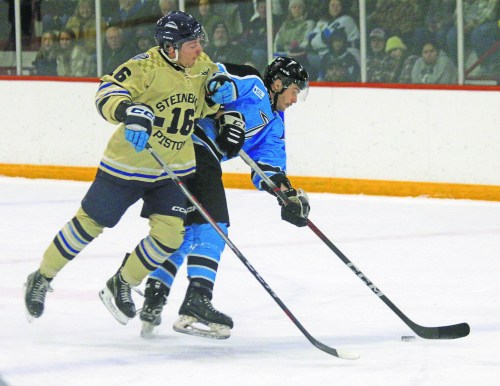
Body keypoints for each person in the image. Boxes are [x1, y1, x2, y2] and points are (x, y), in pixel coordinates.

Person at [23, 11, 237, 324]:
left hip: (172, 170)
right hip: (127, 165)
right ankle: (41, 277)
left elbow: (206, 100)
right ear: (170, 47)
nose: (199, 49)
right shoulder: (145, 66)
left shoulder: (202, 65)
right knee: (87, 227)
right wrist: (128, 110)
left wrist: (220, 95)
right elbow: (107, 91)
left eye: (199, 42)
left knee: (169, 237)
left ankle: (121, 283)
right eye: (192, 43)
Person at [139, 56, 311, 339]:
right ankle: (197, 299)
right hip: (190, 146)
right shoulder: (254, 84)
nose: (295, 99)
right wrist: (221, 98)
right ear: (278, 84)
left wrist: (286, 194)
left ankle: (155, 294)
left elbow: (268, 166)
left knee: (185, 229)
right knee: (215, 224)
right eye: (295, 91)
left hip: (201, 159)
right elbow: (215, 76)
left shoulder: (275, 125)